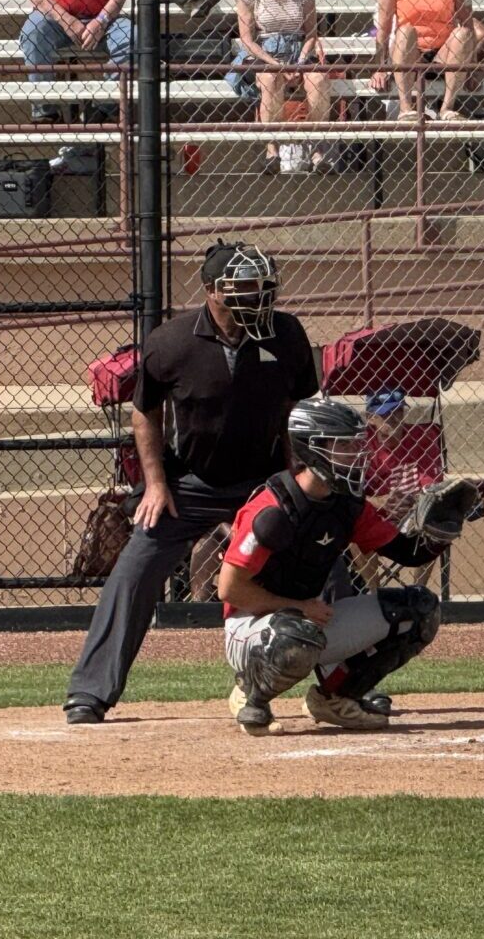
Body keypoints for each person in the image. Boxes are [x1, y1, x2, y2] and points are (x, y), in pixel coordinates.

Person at [64, 241, 318, 725]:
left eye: (262, 285)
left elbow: (296, 415)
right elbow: (145, 412)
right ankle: (90, 693)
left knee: (319, 555)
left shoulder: (285, 334)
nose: (256, 296)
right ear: (210, 291)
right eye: (242, 287)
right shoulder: (173, 340)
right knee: (134, 572)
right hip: (192, 483)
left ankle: (346, 684)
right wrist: (156, 485)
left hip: (263, 481)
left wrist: (297, 487)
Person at [219, 399, 455, 733]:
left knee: (419, 610)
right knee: (296, 633)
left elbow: (408, 552)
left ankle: (335, 698)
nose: (358, 452)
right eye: (344, 444)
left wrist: (443, 527)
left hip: (308, 618)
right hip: (250, 626)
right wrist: (298, 606)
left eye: (357, 443)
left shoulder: (346, 505)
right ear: (313, 449)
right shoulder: (272, 510)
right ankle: (251, 694)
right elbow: (230, 589)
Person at [226, 0, 332, 173]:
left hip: (299, 50)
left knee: (319, 79)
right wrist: (276, 64)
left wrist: (300, 63)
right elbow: (247, 39)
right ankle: (272, 150)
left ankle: (318, 151)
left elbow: (311, 34)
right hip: (265, 50)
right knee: (270, 78)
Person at [358, 386, 444, 589]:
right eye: (385, 416)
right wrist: (379, 502)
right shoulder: (361, 444)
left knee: (436, 519)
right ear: (371, 418)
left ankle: (418, 589)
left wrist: (413, 502)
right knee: (356, 523)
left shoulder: (422, 437)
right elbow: (351, 496)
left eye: (397, 414)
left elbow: (430, 485)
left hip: (413, 512)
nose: (393, 423)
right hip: (375, 514)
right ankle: (375, 596)